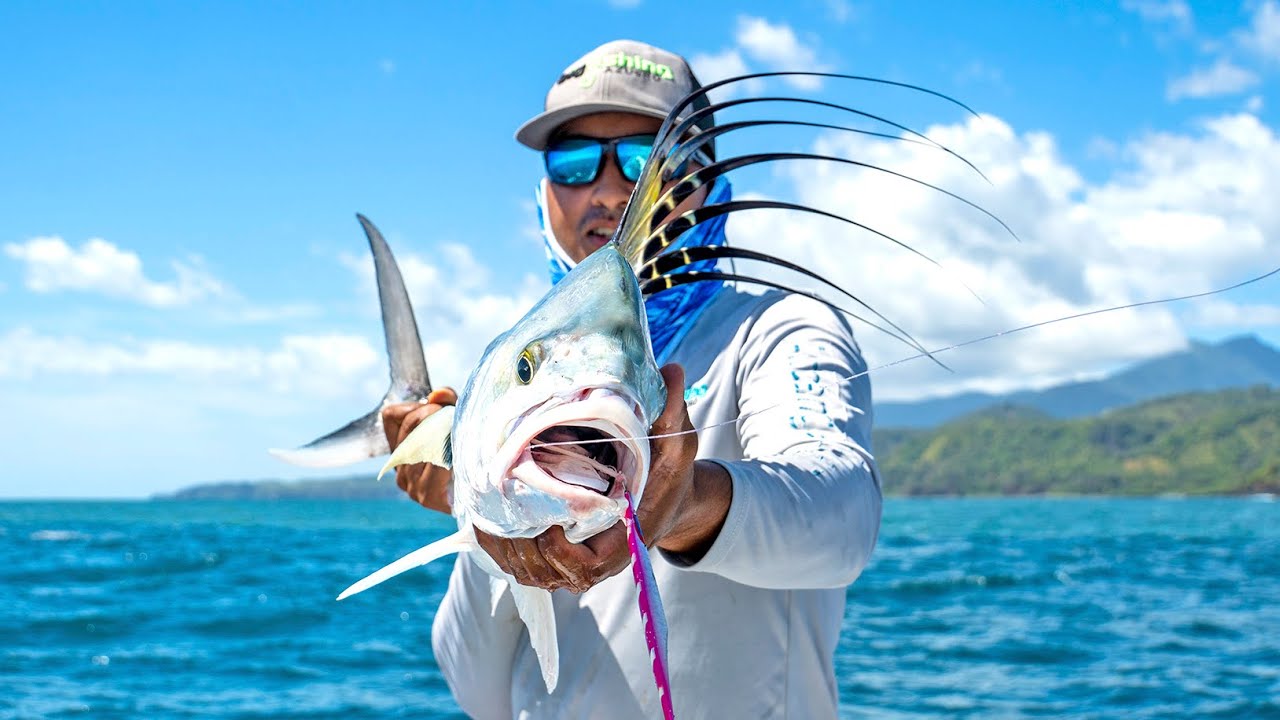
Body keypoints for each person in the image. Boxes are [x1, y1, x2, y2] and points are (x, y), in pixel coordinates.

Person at [382, 39, 882, 719]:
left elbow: (841, 519)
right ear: (546, 189)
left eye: (647, 160)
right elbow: (480, 693)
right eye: (575, 161)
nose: (610, 190)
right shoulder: (516, 374)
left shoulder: (781, 327)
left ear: (704, 179)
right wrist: (476, 502)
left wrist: (687, 503)